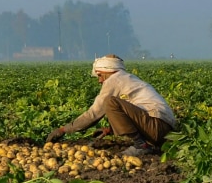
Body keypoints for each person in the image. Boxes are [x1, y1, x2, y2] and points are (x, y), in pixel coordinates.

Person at [46, 54, 177, 157]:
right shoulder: (128, 79)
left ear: (107, 71)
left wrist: (64, 129)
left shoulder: (114, 80)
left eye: (99, 75)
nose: (99, 80)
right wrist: (110, 130)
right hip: (164, 130)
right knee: (113, 104)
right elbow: (134, 113)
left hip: (156, 126)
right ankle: (144, 143)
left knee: (110, 103)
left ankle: (140, 146)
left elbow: (93, 114)